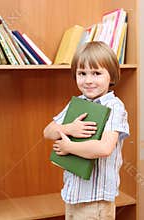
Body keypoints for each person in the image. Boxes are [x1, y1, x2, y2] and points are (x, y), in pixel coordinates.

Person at [43, 41, 129, 220]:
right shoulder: (77, 103)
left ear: (111, 76)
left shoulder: (115, 107)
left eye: (96, 73)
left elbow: (104, 148)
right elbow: (48, 132)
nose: (88, 80)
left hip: (96, 199)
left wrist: (68, 148)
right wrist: (69, 128)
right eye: (82, 73)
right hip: (72, 193)